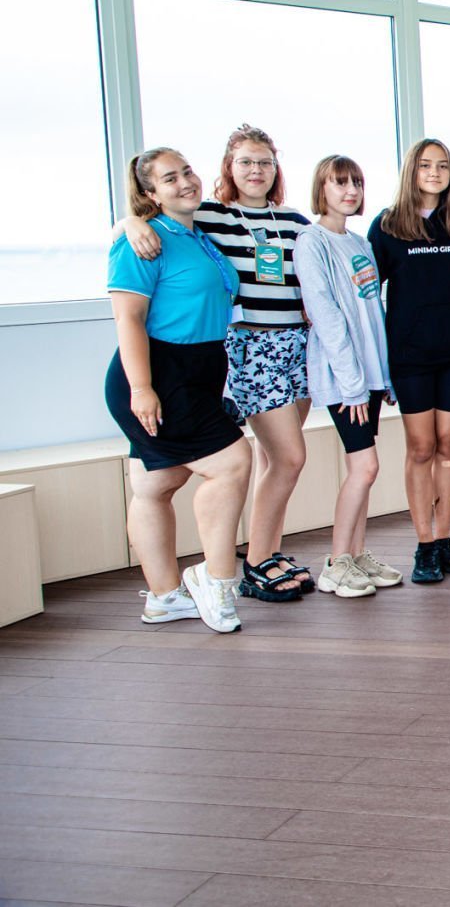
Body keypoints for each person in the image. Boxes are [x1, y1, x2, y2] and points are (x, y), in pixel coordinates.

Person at [118, 124, 315, 602]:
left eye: (265, 162)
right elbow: (153, 224)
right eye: (245, 161)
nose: (256, 170)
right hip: (251, 350)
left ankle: (265, 552)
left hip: (297, 347)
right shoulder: (209, 215)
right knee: (289, 458)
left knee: (275, 460)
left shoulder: (294, 222)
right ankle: (257, 561)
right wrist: (129, 222)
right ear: (229, 167)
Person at [107, 148, 251, 633]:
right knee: (232, 462)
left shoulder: (195, 233)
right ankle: (216, 578)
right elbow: (128, 319)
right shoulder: (144, 241)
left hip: (199, 369)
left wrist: (127, 220)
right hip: (160, 373)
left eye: (187, 171)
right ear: (151, 193)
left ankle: (165, 598)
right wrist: (142, 388)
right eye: (170, 178)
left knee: (155, 484)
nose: (186, 181)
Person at [369, 138, 450, 584]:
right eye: (426, 165)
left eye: (443, 165)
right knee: (420, 448)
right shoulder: (387, 226)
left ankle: (446, 538)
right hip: (410, 355)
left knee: (448, 446)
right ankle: (425, 544)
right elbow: (367, 291)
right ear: (411, 171)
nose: (435, 172)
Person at [294, 156, 399, 598]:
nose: (350, 191)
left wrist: (384, 377)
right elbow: (325, 316)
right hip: (345, 379)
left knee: (364, 469)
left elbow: (373, 312)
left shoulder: (359, 243)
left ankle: (356, 555)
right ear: (321, 189)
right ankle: (337, 563)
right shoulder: (311, 242)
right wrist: (354, 384)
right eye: (340, 183)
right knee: (365, 466)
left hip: (369, 375)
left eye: (356, 182)